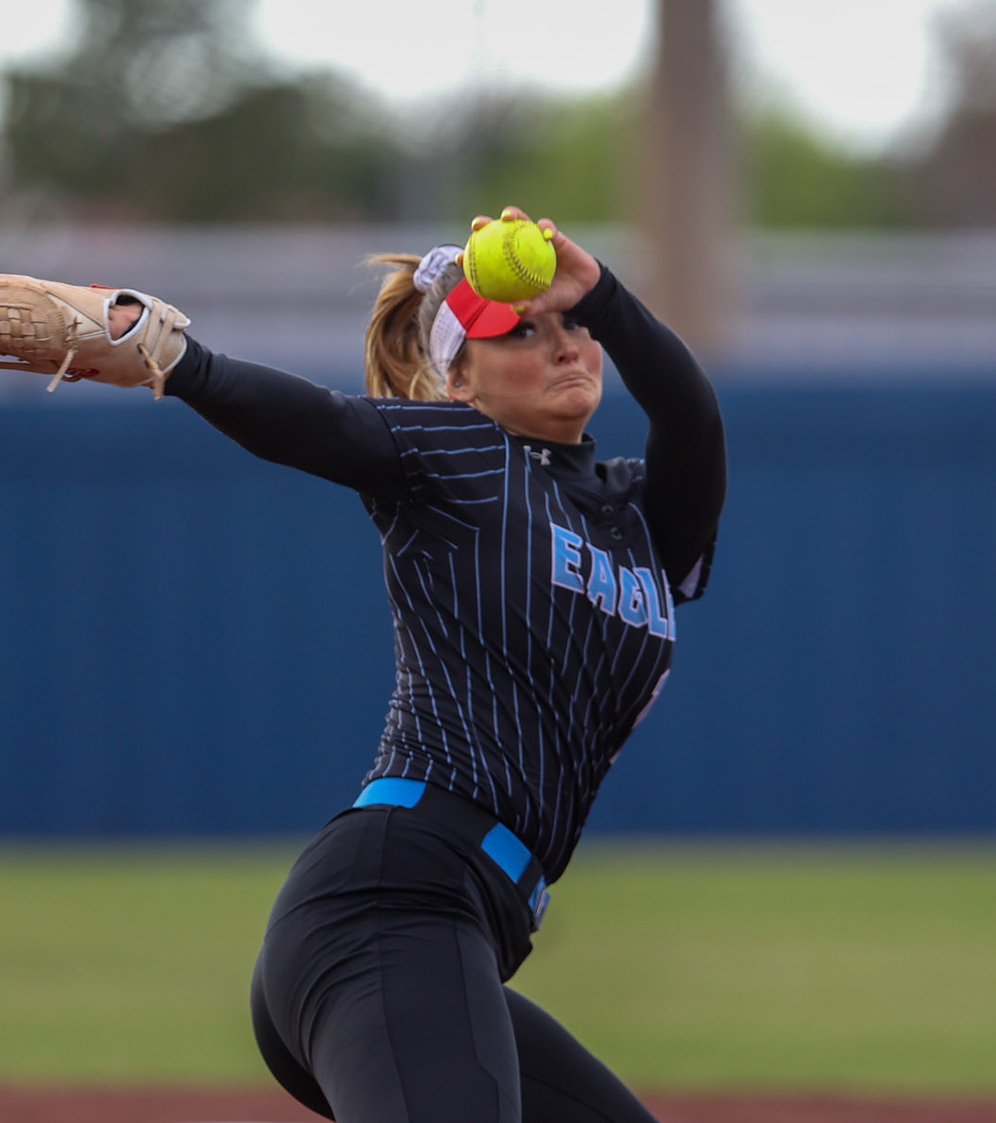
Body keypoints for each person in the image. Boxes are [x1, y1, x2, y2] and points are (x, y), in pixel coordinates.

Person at [102, 208, 724, 1122]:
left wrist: (605, 296)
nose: (567, 349)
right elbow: (313, 422)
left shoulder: (639, 518)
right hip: (391, 902)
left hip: (467, 930)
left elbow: (693, 419)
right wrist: (177, 360)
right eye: (521, 331)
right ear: (460, 379)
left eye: (576, 330)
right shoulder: (457, 453)